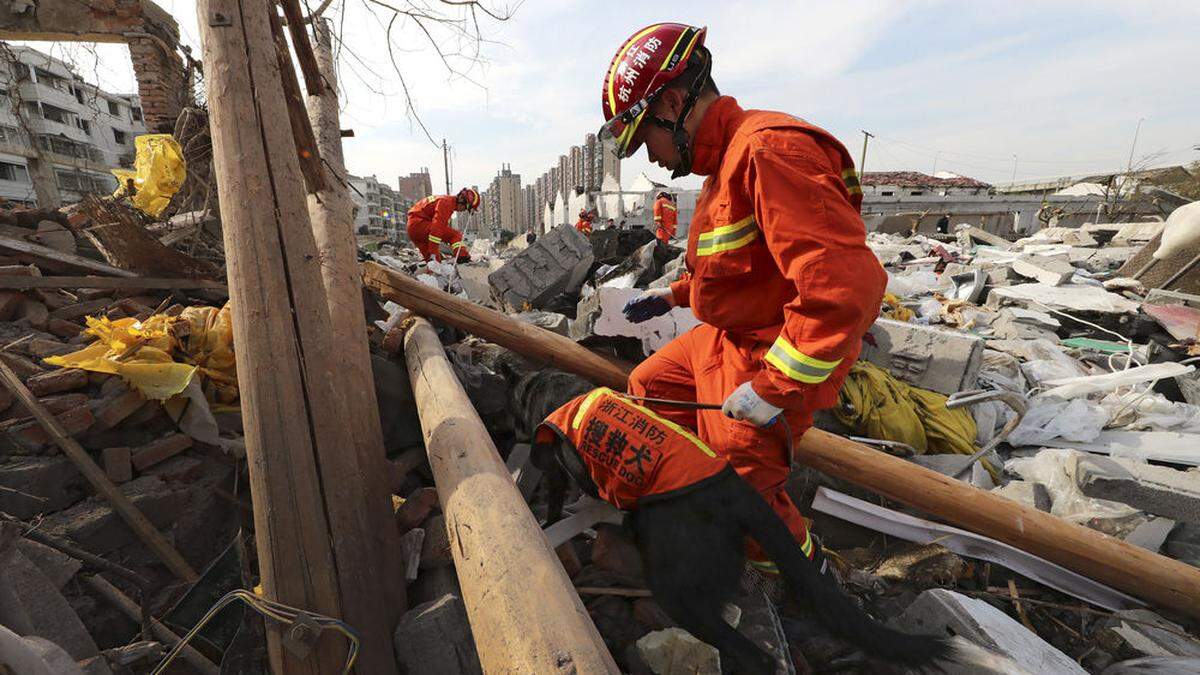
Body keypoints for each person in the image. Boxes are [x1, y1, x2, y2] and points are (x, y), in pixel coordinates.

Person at [602, 23, 887, 572]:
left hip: (773, 352)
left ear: (673, 102)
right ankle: (693, 498)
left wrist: (772, 389)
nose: (650, 156)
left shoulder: (769, 151)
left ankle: (808, 579)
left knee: (745, 494)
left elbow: (845, 290)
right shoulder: (722, 166)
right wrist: (673, 296)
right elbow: (740, 271)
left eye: (647, 139)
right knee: (650, 385)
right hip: (728, 336)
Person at [406, 188, 479, 262]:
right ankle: (462, 257)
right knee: (455, 235)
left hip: (413, 229)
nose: (464, 210)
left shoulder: (445, 201)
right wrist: (434, 254)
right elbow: (436, 229)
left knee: (433, 264)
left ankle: (432, 270)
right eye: (466, 207)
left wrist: (434, 257)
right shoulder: (447, 203)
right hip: (419, 224)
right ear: (461, 199)